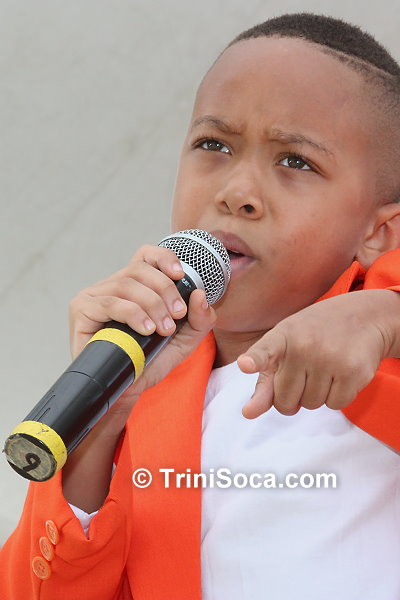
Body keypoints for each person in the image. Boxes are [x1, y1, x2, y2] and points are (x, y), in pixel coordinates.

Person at [1, 12, 400, 600]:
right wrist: (99, 425)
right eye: (214, 145)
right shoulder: (146, 398)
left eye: (296, 161)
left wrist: (385, 318)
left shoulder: (379, 336)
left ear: (380, 232)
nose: (236, 193)